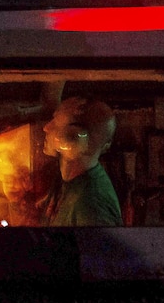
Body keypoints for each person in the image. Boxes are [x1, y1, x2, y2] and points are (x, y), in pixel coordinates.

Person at [37, 96, 122, 227]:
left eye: (55, 121)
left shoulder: (91, 207)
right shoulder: (68, 180)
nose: (46, 128)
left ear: (74, 138)